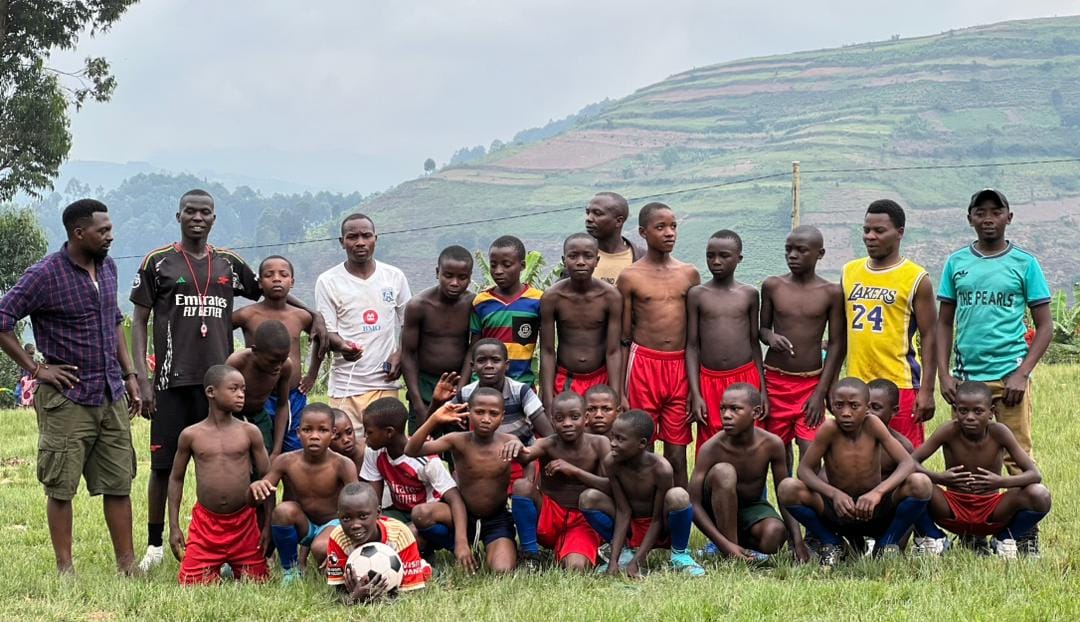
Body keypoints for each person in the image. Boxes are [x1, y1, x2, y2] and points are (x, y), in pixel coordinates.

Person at [130, 189, 325, 571]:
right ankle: (155, 544)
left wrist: (311, 313)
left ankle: (233, 543)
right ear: (179, 215)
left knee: (229, 464)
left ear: (214, 219)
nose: (197, 218)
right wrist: (143, 377)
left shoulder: (228, 264)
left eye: (205, 212)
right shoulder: (158, 262)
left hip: (218, 384)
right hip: (171, 380)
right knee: (164, 466)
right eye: (190, 211)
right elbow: (139, 320)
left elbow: (270, 294)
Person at [0, 199, 140, 574]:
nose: (110, 236)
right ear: (79, 233)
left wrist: (130, 376)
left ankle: (127, 564)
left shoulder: (108, 267)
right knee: (60, 485)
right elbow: (3, 317)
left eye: (110, 229)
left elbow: (113, 322)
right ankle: (66, 569)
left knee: (119, 481)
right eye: (103, 230)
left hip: (110, 392)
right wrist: (35, 369)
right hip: (67, 397)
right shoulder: (45, 273)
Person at [937, 188, 1052, 477]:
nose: (988, 219)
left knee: (1018, 456)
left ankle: (1025, 522)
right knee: (967, 455)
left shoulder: (1025, 263)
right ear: (970, 219)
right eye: (981, 213)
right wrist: (944, 374)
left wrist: (1022, 374)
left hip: (1009, 377)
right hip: (967, 381)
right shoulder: (956, 263)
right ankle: (971, 520)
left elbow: (1045, 326)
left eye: (996, 212)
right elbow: (944, 323)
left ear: (1008, 218)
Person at [777, 378, 933, 567]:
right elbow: (804, 470)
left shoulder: (873, 425)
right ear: (830, 406)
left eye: (854, 406)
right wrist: (834, 494)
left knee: (920, 483)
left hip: (876, 510)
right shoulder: (829, 429)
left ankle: (886, 544)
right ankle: (832, 542)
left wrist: (878, 493)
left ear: (867, 407)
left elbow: (907, 463)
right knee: (788, 488)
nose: (846, 413)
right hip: (838, 511)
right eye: (839, 405)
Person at [910, 381, 1050, 559]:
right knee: (913, 485)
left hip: (991, 509)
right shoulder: (948, 430)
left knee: (1040, 494)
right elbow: (910, 462)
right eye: (963, 411)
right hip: (952, 508)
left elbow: (1034, 474)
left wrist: (1000, 482)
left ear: (991, 412)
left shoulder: (999, 432)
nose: (970, 417)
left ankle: (1005, 538)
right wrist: (940, 478)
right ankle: (934, 537)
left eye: (978, 411)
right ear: (955, 410)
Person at [617, 202, 701, 489]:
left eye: (673, 226)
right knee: (644, 449)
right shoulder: (630, 276)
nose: (669, 233)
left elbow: (694, 335)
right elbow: (624, 336)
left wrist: (694, 385)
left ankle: (680, 520)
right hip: (643, 365)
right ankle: (649, 520)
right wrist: (621, 389)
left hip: (679, 366)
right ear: (643, 232)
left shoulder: (689, 274)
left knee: (677, 453)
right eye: (660, 227)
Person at [841, 199, 937, 448]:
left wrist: (927, 390)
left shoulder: (916, 278)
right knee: (857, 457)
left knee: (904, 457)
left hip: (900, 385)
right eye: (866, 230)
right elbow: (840, 334)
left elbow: (929, 336)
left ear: (900, 233)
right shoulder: (849, 272)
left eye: (879, 231)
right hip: (857, 384)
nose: (870, 237)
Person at [167, 365, 271, 584]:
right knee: (191, 584)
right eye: (234, 388)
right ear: (211, 392)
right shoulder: (191, 435)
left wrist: (268, 525)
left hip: (244, 523)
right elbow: (176, 479)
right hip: (206, 525)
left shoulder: (249, 432)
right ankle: (216, 564)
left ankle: (230, 563)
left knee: (258, 582)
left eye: (243, 389)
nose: (241, 394)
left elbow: (267, 479)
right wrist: (174, 526)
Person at [578, 409, 705, 577]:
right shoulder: (612, 462)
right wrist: (614, 561)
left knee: (678, 496)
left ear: (642, 443)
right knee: (588, 498)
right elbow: (623, 511)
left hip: (660, 527)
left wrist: (637, 561)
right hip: (632, 524)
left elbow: (657, 518)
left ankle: (679, 555)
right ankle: (624, 553)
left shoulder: (661, 469)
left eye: (620, 439)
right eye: (613, 436)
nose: (613, 443)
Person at [759, 225, 845, 468]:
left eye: (801, 250)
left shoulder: (831, 292)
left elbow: (838, 344)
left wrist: (821, 392)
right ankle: (785, 505)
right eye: (788, 250)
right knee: (778, 451)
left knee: (811, 454)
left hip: (810, 385)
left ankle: (808, 505)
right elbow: (762, 329)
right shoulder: (773, 286)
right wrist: (771, 338)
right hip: (775, 381)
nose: (792, 256)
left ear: (820, 253)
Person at [405, 390, 519, 572]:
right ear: (469, 411)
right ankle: (456, 546)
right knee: (421, 514)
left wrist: (519, 446)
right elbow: (411, 450)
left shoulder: (509, 441)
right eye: (479, 412)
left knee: (502, 570)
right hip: (463, 515)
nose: (486, 419)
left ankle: (493, 546)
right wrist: (434, 419)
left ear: (502, 416)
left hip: (496, 518)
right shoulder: (457, 440)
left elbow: (530, 461)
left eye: (493, 414)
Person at [689, 384, 807, 562]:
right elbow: (693, 503)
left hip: (752, 507)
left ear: (756, 412)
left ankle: (739, 547)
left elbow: (784, 496)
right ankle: (729, 548)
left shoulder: (771, 444)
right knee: (724, 472)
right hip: (716, 510)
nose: (726, 415)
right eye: (723, 409)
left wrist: (798, 542)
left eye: (735, 409)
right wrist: (725, 544)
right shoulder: (712, 448)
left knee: (774, 535)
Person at [315, 213, 412, 428]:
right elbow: (327, 332)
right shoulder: (328, 281)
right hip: (346, 386)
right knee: (346, 451)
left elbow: (410, 323)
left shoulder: (394, 277)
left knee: (384, 452)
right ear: (342, 242)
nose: (360, 242)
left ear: (375, 239)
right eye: (352, 237)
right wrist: (343, 346)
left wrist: (400, 353)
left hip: (385, 383)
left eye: (366, 236)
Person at [250, 403, 360, 583]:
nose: (314, 436)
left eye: (322, 430)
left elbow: (357, 502)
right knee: (283, 511)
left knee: (321, 547)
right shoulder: (286, 461)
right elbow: (262, 491)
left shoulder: (342, 464)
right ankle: (291, 570)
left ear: (332, 433)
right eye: (308, 430)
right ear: (298, 432)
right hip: (305, 525)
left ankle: (338, 565)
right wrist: (255, 488)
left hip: (333, 525)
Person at [359, 398, 472, 570]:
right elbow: (375, 501)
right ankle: (418, 550)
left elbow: (455, 500)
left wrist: (461, 543)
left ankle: (445, 546)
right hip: (401, 511)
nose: (365, 438)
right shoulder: (374, 451)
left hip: (432, 514)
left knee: (413, 524)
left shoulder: (425, 459)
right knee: (374, 526)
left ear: (389, 432)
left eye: (369, 432)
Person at [505, 392, 611, 571]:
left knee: (575, 568)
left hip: (582, 520)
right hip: (550, 515)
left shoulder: (600, 444)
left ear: (585, 418)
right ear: (552, 421)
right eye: (560, 418)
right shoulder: (547, 443)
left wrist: (575, 471)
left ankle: (575, 549)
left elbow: (611, 486)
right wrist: (515, 444)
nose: (567, 423)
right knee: (521, 486)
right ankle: (530, 555)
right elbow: (526, 455)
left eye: (574, 417)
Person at [232, 255, 323, 453]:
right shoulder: (247, 314)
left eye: (283, 275)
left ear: (292, 281)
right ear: (259, 282)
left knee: (295, 451)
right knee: (259, 450)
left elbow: (321, 338)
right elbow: (218, 331)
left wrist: (312, 374)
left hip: (292, 396)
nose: (276, 279)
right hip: (257, 397)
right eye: (269, 275)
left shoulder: (301, 316)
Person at [431, 339, 554, 485]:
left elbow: (549, 435)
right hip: (483, 462)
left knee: (523, 490)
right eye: (482, 360)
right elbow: (429, 432)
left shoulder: (520, 391)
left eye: (495, 360)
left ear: (506, 365)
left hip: (519, 460)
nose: (489, 366)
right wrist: (436, 403)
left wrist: (529, 455)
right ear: (473, 366)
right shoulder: (466, 394)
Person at [686, 230, 765, 453]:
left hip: (745, 377)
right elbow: (692, 346)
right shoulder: (697, 294)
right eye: (710, 255)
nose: (716, 261)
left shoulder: (749, 294)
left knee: (749, 442)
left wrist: (762, 390)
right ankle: (709, 488)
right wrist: (695, 393)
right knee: (711, 442)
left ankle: (753, 489)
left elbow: (754, 343)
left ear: (739, 258)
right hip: (709, 379)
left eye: (724, 255)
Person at [539, 233, 622, 409]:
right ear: (564, 259)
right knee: (564, 431)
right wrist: (546, 396)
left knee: (602, 433)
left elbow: (614, 351)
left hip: (601, 378)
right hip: (565, 378)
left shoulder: (610, 296)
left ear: (597, 260)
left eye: (588, 256)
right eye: (573, 256)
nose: (581, 262)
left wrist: (616, 394)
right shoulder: (552, 297)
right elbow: (547, 351)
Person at [401, 246, 474, 433]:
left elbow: (473, 350)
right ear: (437, 273)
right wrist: (417, 402)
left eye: (462, 277)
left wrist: (462, 389)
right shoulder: (419, 306)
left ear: (470, 276)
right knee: (421, 448)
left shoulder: (473, 304)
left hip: (459, 382)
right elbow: (408, 354)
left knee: (458, 449)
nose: (455, 283)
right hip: (424, 384)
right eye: (448, 276)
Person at [325, 483, 431, 604]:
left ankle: (423, 566)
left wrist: (377, 597)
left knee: (421, 574)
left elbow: (412, 593)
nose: (355, 525)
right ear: (339, 517)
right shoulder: (337, 538)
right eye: (346, 518)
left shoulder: (400, 535)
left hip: (404, 562)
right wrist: (354, 597)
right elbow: (338, 592)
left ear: (378, 513)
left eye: (363, 516)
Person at [466, 235, 542, 386]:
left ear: (522, 266)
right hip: (484, 386)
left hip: (522, 385)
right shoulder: (481, 302)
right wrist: (464, 388)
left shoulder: (538, 300)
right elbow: (473, 349)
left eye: (506, 265)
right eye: (493, 265)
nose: (498, 271)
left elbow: (547, 350)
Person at [225, 320, 293, 455]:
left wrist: (277, 449)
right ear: (255, 351)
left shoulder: (286, 367)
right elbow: (219, 402)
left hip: (260, 416)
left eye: (283, 360)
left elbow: (282, 405)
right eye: (272, 361)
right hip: (232, 417)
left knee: (263, 459)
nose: (278, 366)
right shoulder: (237, 363)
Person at [583, 191, 643, 285]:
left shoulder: (641, 258)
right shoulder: (578, 257)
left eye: (597, 213)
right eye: (588, 213)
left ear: (618, 221)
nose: (589, 219)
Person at [867, 379, 913, 476]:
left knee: (920, 482)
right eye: (865, 406)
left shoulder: (902, 445)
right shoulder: (845, 437)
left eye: (875, 407)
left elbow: (911, 471)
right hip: (844, 491)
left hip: (885, 490)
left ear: (894, 411)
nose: (868, 412)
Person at [331, 408, 366, 475]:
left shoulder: (368, 451)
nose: (346, 440)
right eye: (337, 437)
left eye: (349, 432)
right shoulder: (328, 461)